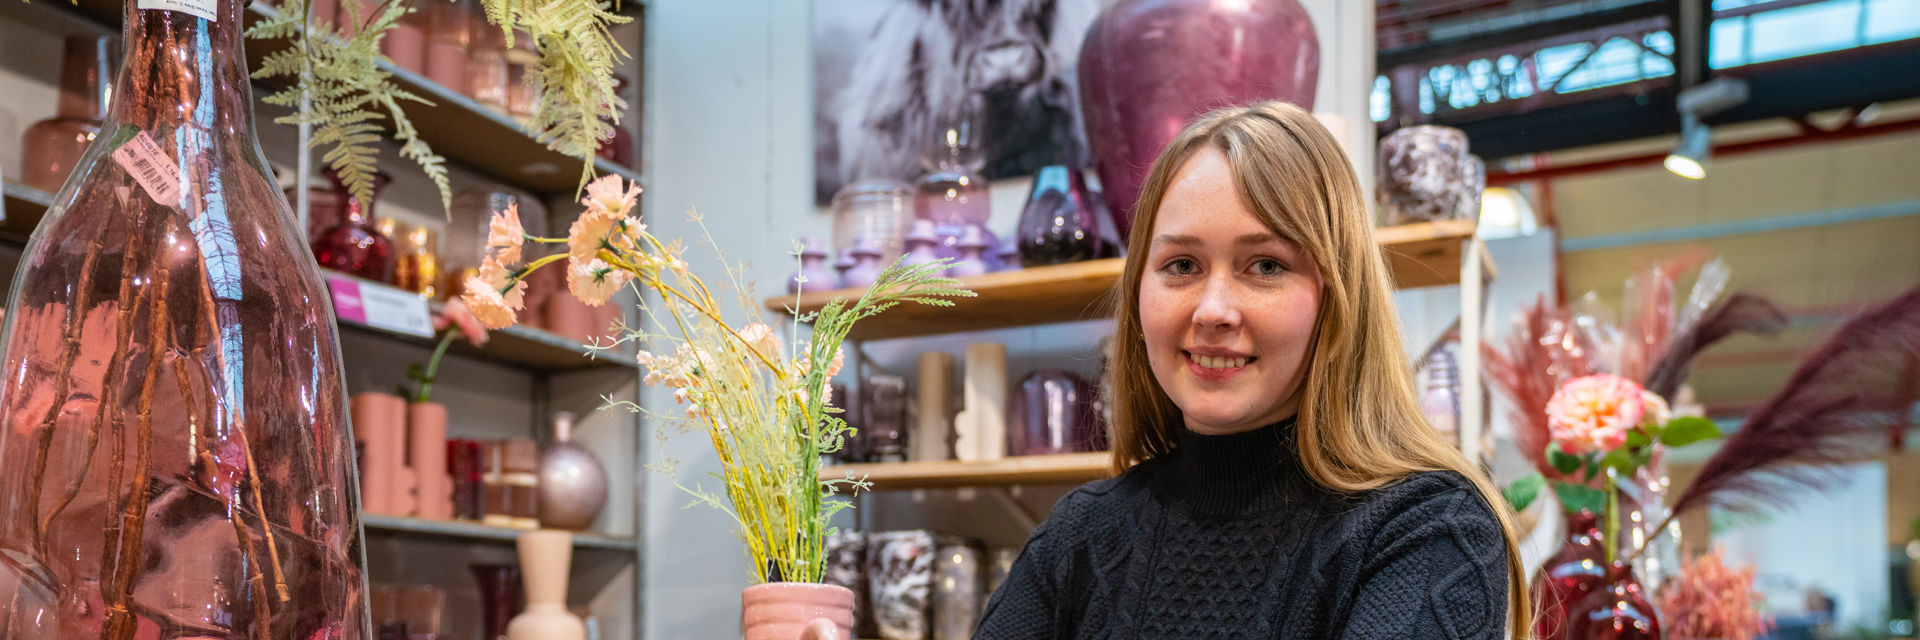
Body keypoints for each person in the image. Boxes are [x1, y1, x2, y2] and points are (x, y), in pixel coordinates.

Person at [972, 101, 1529, 639]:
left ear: (1337, 298)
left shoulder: (1429, 529)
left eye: (1266, 265)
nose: (1213, 310)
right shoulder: (1078, 537)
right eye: (1181, 265)